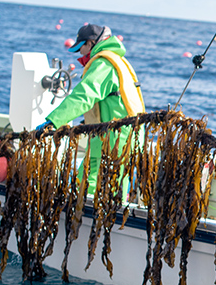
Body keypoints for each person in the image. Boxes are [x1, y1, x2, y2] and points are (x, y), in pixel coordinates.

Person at [39, 24, 144, 198]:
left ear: (91, 43)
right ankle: (113, 220)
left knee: (90, 184)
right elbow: (110, 100)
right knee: (115, 185)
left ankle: (86, 218)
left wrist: (54, 121)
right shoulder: (117, 60)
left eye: (81, 47)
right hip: (126, 133)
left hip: (114, 138)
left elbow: (84, 95)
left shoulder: (103, 64)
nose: (80, 54)